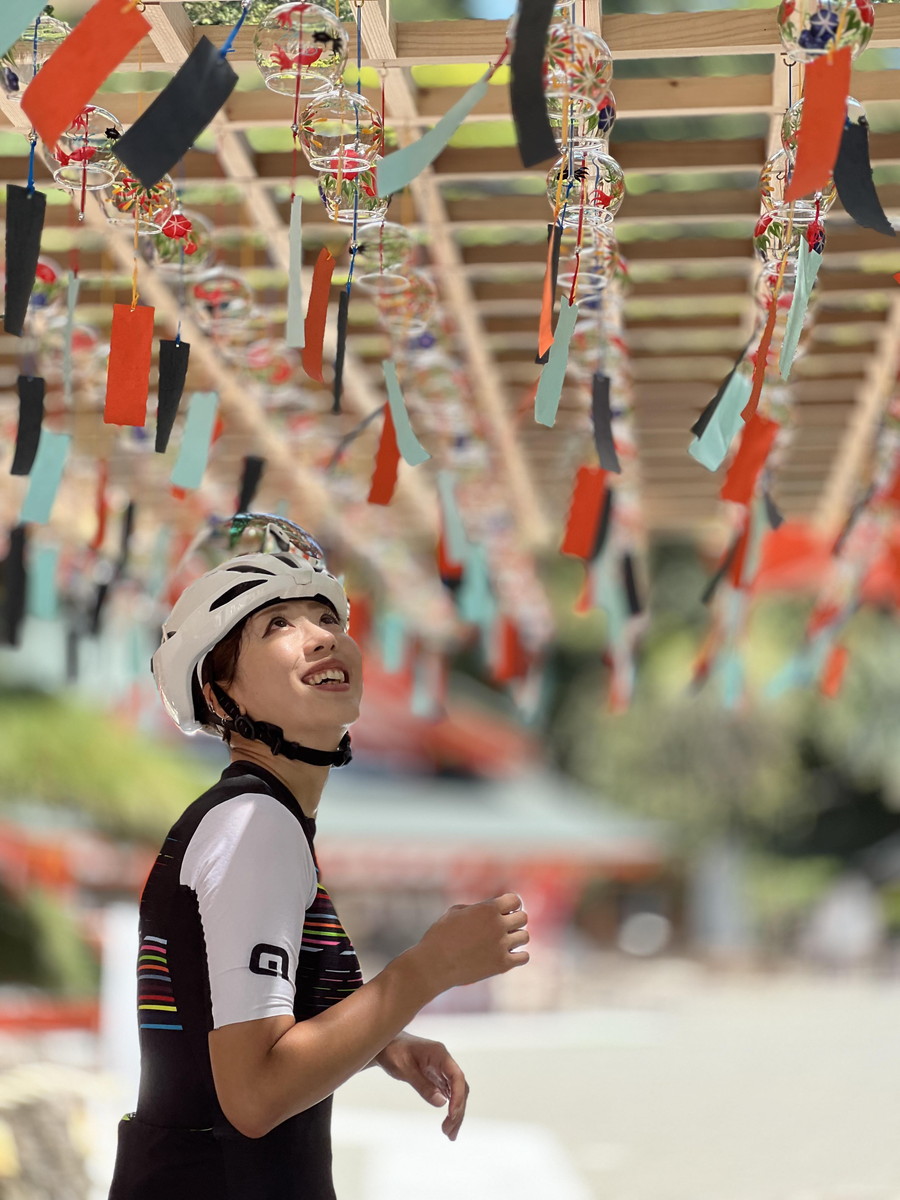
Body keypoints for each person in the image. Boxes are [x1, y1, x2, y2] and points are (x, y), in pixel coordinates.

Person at [106, 533, 530, 1200]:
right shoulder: (255, 826)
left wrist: (384, 1043)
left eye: (327, 618)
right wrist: (429, 967)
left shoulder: (255, 817)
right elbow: (254, 1096)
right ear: (219, 696)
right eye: (278, 625)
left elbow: (227, 1033)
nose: (321, 637)